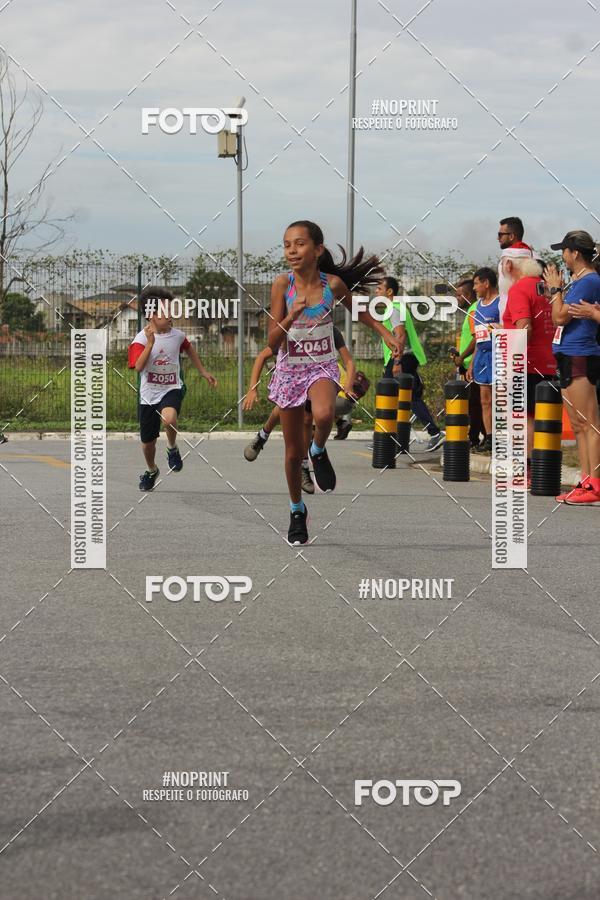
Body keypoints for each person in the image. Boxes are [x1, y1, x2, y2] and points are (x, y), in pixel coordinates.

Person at [267, 220, 402, 545]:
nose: (292, 250)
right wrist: (292, 315)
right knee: (290, 453)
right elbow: (272, 341)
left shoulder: (334, 285)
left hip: (321, 366)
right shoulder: (281, 284)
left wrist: (385, 333)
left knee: (325, 414)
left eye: (299, 244)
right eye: (287, 245)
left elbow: (360, 312)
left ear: (317, 249)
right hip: (290, 370)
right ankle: (297, 509)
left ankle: (319, 449)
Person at [242, 326, 358, 495]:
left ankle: (305, 464)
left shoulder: (330, 330)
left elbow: (349, 361)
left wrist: (348, 386)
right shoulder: (293, 331)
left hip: (318, 380)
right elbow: (262, 356)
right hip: (293, 377)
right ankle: (262, 436)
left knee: (307, 418)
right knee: (283, 410)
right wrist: (252, 389)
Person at [128, 287, 217, 491]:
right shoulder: (140, 340)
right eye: (165, 311)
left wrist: (203, 371)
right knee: (147, 443)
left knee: (169, 418)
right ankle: (151, 470)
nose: (171, 315)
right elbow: (138, 367)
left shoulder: (177, 336)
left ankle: (172, 447)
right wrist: (150, 344)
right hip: (149, 395)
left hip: (172, 387)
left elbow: (189, 348)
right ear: (151, 315)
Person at [545, 230, 600, 505]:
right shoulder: (578, 282)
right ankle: (585, 480)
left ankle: (595, 484)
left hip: (581, 354)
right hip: (568, 355)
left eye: (563, 251)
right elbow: (561, 315)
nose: (562, 257)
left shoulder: (589, 281)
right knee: (578, 425)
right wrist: (558, 293)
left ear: (574, 253)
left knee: (590, 424)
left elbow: (559, 317)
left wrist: (556, 290)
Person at [501, 251, 555, 487]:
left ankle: (526, 470)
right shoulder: (546, 289)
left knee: (524, 418)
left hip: (526, 362)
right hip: (550, 360)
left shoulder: (519, 289)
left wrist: (513, 362)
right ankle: (542, 470)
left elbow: (524, 327)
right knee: (542, 416)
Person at [377, 275, 445, 451]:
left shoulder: (393, 309)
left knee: (394, 396)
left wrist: (397, 361)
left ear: (389, 291)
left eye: (379, 288)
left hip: (401, 358)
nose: (376, 291)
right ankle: (398, 438)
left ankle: (388, 437)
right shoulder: (396, 308)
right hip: (404, 357)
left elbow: (400, 335)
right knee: (405, 398)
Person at [466, 268, 501, 454]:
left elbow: (510, 327)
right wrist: (472, 363)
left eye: (476, 283)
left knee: (500, 399)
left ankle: (502, 436)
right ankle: (489, 438)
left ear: (486, 283)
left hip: (498, 354)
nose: (474, 288)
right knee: (484, 400)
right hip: (482, 356)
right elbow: (479, 338)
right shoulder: (478, 306)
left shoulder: (501, 302)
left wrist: (496, 328)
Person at [450, 274, 485, 448]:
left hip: (473, 365)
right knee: (475, 402)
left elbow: (476, 338)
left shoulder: (472, 311)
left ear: (468, 295)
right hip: (469, 363)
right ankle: (480, 437)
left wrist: (463, 357)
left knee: (475, 404)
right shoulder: (471, 310)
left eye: (459, 295)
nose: (457, 299)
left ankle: (476, 438)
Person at [497, 217, 533, 320]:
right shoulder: (504, 258)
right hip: (505, 321)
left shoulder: (534, 258)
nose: (498, 238)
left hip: (520, 320)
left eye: (500, 235)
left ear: (512, 236)